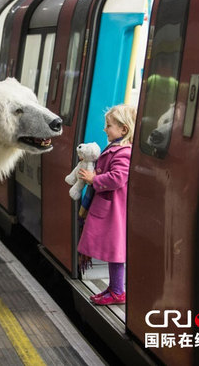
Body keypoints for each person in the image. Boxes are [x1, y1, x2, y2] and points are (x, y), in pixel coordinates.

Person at [77, 104, 136, 306]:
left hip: (114, 210)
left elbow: (119, 178)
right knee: (113, 252)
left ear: (123, 129)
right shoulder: (115, 148)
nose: (105, 129)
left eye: (109, 126)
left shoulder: (124, 152)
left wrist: (95, 179)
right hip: (108, 207)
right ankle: (113, 288)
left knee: (116, 251)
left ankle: (118, 291)